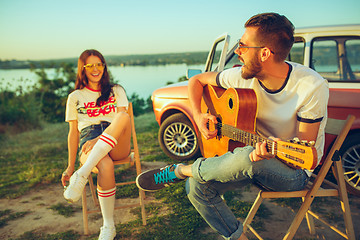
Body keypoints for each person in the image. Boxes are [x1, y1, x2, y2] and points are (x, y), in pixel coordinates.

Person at [136, 13, 329, 240]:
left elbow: (302, 156)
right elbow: (196, 81)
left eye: (243, 45)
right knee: (197, 188)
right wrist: (199, 116)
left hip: (293, 172)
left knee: (249, 157)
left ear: (265, 53)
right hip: (251, 160)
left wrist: (268, 155)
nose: (238, 51)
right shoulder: (242, 76)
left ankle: (180, 170)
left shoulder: (311, 86)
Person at [61, 49, 131, 240]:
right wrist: (70, 165)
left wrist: (98, 139)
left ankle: (81, 175)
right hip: (87, 137)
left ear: (104, 67)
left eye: (99, 64)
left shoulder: (116, 90)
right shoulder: (75, 97)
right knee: (105, 165)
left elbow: (121, 121)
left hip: (116, 139)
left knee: (123, 115)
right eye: (90, 65)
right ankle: (108, 226)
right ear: (82, 69)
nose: (95, 69)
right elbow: (73, 133)